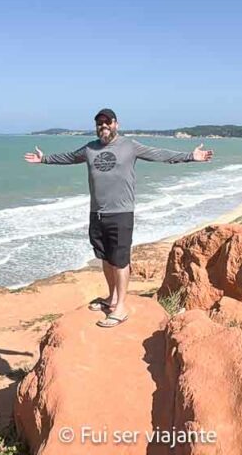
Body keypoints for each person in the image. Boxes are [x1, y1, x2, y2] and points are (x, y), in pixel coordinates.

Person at [23, 108, 214, 327]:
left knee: (121, 260)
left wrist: (191, 156)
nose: (103, 127)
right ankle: (112, 298)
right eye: (99, 124)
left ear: (116, 124)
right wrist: (44, 159)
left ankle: (121, 307)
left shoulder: (129, 146)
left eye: (107, 123)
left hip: (121, 213)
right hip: (97, 214)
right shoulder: (89, 148)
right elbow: (67, 157)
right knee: (105, 258)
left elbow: (160, 154)